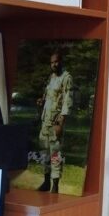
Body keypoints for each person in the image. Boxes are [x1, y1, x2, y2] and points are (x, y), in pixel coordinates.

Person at [36, 50, 73, 194]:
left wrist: (61, 123)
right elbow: (49, 97)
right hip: (45, 121)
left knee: (55, 153)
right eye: (52, 62)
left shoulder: (66, 78)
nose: (54, 65)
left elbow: (67, 100)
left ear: (61, 61)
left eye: (56, 62)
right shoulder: (51, 77)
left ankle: (55, 185)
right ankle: (46, 182)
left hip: (56, 121)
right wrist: (41, 101)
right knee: (44, 152)